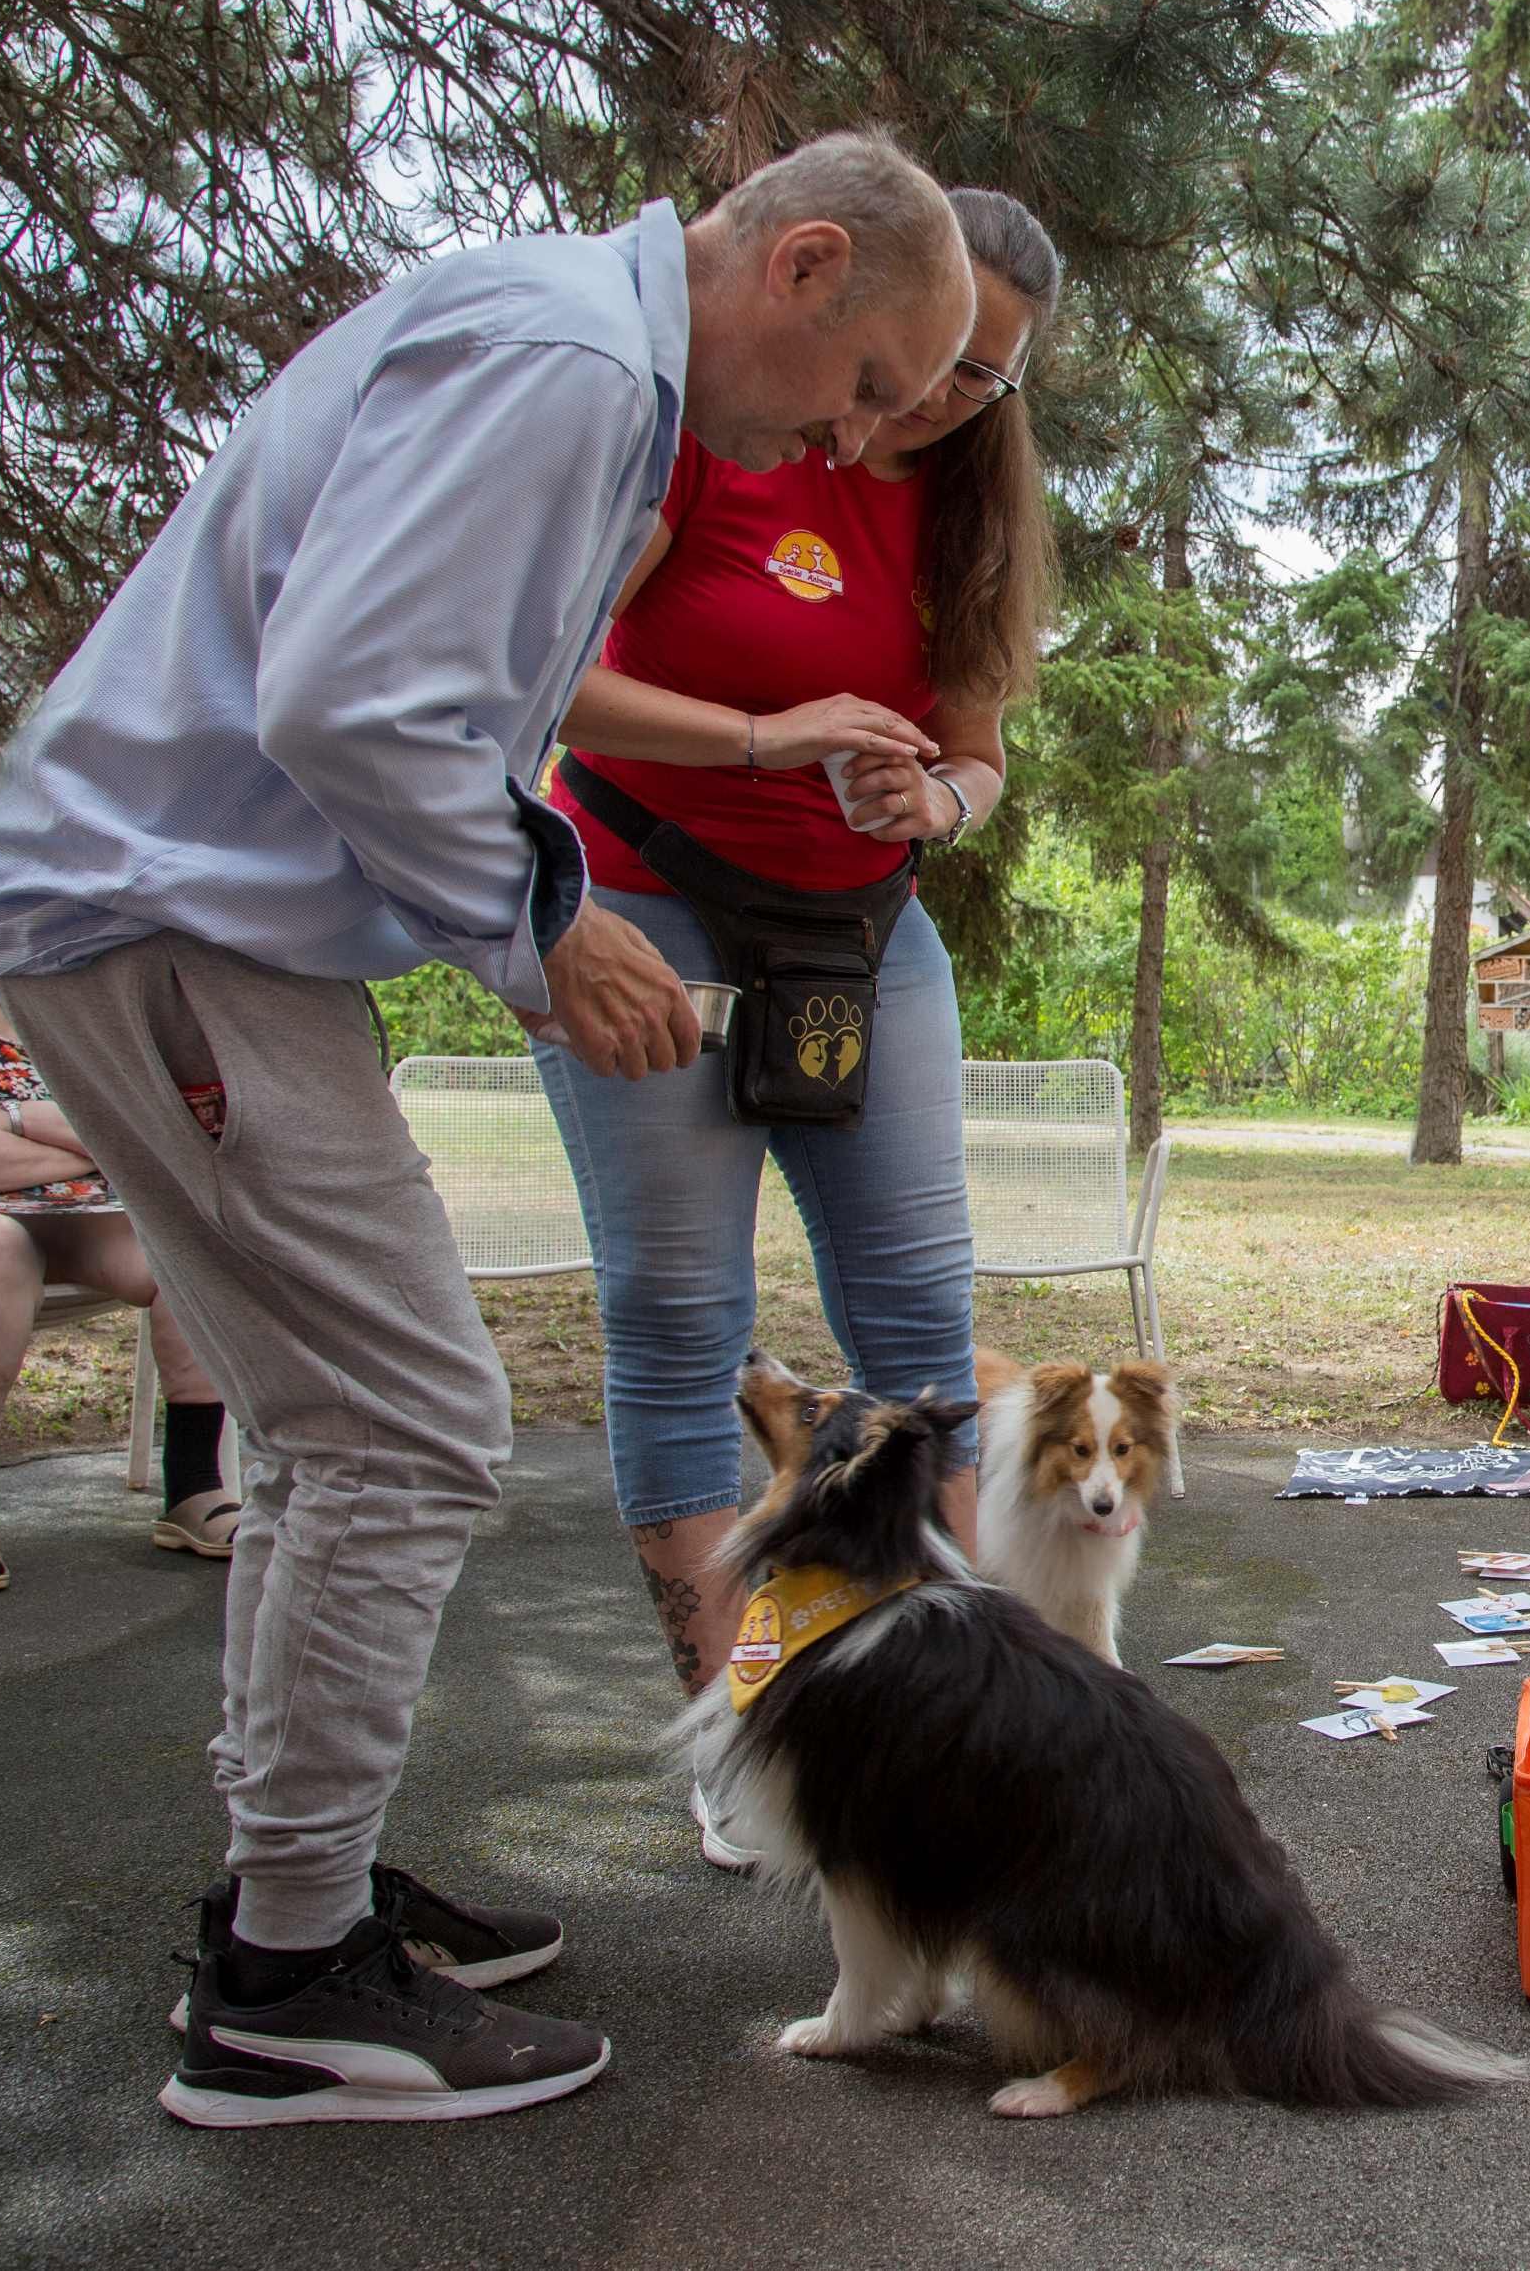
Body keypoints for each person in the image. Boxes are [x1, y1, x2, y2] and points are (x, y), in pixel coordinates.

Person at [0, 128, 976, 2127]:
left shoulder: (562, 335)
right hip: (169, 919)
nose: (846, 447)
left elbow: (400, 689)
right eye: (861, 387)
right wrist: (551, 923)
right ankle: (280, 1978)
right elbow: (350, 695)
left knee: (350, 1430)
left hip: (179, 915)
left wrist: (527, 924)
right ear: (803, 263)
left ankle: (298, 1895)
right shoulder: (580, 368)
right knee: (407, 1425)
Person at [537, 188, 1057, 1867]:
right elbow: (542, 676)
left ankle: (954, 1716)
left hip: (867, 940)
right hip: (649, 914)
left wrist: (939, 800)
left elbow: (976, 754)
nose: (931, 398)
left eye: (983, 380)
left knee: (919, 1320)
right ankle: (741, 1733)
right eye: (925, 358)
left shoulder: (972, 508)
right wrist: (766, 736)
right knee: (681, 1316)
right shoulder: (716, 430)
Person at [0, 862, 232, 1593]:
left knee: (195, 1245)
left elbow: (152, 1128)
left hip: (77, 1208)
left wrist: (7, 1117)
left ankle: (193, 1488)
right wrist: (78, 1133)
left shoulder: (80, 1009)